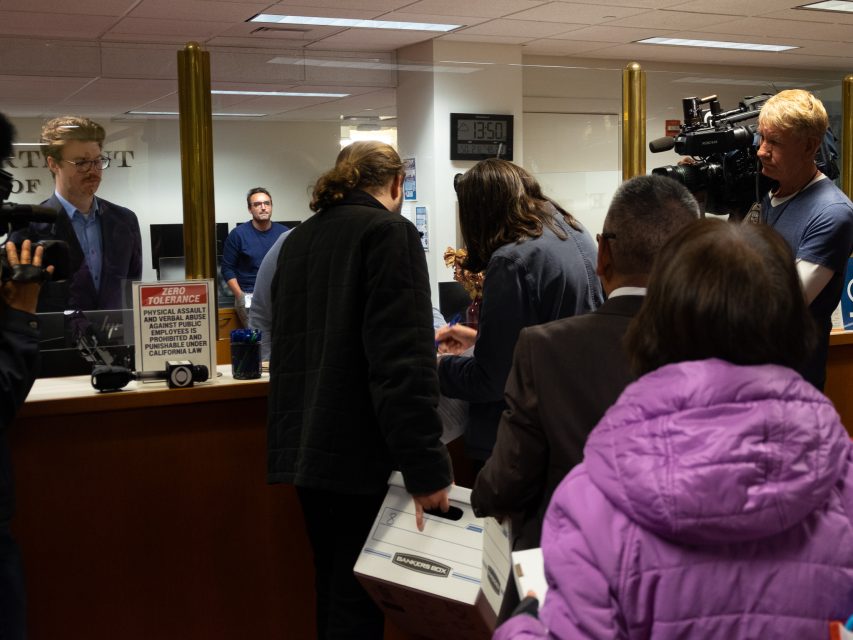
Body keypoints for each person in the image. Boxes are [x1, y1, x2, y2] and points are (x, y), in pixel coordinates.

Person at [495, 218, 853, 639]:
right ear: (793, 325)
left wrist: (524, 623)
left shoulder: (591, 497)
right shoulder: (842, 478)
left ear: (655, 326)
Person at [266, 141, 452, 639]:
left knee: (333, 591)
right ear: (396, 185)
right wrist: (426, 466)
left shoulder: (299, 239)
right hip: (361, 453)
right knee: (360, 606)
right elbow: (402, 362)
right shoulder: (389, 233)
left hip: (306, 449)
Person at [471, 174, 700, 552]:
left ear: (603, 255)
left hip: (571, 574)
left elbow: (501, 485)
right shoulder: (733, 346)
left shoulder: (544, 350)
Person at [435, 159, 603, 467]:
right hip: (575, 423)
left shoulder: (511, 260)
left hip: (524, 442)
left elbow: (493, 380)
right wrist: (477, 338)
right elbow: (551, 331)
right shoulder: (575, 234)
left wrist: (436, 367)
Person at [749, 89, 853, 390]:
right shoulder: (771, 194)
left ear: (809, 147)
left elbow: (783, 304)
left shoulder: (833, 213)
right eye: (761, 137)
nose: (761, 150)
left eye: (775, 142)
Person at [11, 115, 142, 312]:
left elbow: (130, 293)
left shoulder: (125, 220)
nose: (93, 171)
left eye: (98, 161)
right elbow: (18, 302)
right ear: (53, 164)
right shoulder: (29, 227)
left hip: (116, 340)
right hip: (56, 341)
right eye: (81, 163)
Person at [221, 188, 288, 325]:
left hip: (279, 295)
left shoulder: (284, 233)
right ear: (250, 209)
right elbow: (227, 269)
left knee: (281, 340)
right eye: (257, 204)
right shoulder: (238, 234)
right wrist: (240, 296)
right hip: (249, 296)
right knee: (258, 340)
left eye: (267, 203)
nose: (263, 208)